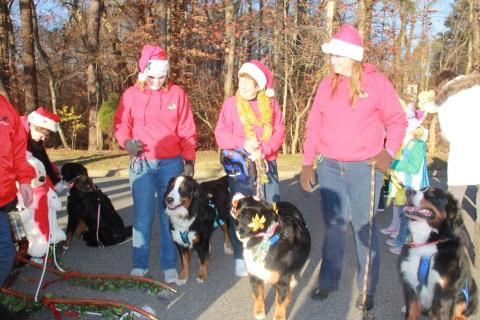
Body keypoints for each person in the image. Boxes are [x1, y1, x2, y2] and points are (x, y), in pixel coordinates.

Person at [299, 24, 407, 311]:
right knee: (334, 225)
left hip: (365, 168)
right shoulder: (326, 84)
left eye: (337, 55)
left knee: (364, 229)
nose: (332, 59)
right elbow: (313, 125)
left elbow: (397, 120)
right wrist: (308, 162)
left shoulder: (378, 83)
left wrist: (389, 152)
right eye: (331, 55)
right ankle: (329, 280)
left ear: (352, 57)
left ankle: (368, 288)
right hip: (330, 167)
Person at [114, 44, 197, 283]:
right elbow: (121, 125)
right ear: (143, 72)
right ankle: (139, 264)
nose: (157, 82)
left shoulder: (177, 94)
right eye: (152, 77)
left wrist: (189, 159)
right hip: (141, 165)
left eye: (162, 77)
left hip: (171, 164)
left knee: (167, 216)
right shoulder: (131, 95)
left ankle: (169, 264)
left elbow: (186, 130)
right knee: (142, 216)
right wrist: (126, 142)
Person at [215, 59, 285, 277]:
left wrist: (263, 149)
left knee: (271, 209)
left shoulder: (271, 105)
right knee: (240, 212)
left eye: (248, 83)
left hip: (266, 163)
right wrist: (243, 143)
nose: (242, 86)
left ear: (259, 86)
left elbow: (279, 132)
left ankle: (268, 254)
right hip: (241, 167)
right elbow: (220, 134)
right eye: (240, 81)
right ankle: (240, 256)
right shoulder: (230, 104)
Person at [433, 70, 480, 266]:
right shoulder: (476, 88)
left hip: (462, 158)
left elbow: (448, 134)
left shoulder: (445, 102)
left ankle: (452, 251)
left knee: (452, 205)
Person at [0, 94, 35, 287]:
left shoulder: (5, 106)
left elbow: (18, 149)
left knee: (6, 253)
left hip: (3, 196)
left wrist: (24, 179)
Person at [386, 112, 429, 255]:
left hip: (415, 189)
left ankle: (403, 245)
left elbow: (413, 167)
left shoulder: (417, 145)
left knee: (409, 219)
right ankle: (401, 241)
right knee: (406, 217)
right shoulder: (409, 143)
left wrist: (395, 163)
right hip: (408, 187)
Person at [21, 107, 62, 188]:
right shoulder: (17, 132)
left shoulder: (34, 134)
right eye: (42, 136)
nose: (43, 139)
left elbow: (42, 158)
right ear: (33, 127)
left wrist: (54, 177)